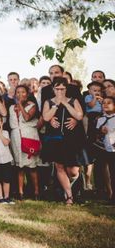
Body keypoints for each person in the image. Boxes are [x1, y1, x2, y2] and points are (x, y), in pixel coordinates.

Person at [42, 77, 85, 205]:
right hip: (55, 139)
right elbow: (46, 117)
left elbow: (79, 115)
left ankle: (71, 186)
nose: (60, 91)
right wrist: (56, 105)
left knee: (73, 171)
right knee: (59, 167)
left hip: (72, 139)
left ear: (66, 89)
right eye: (57, 89)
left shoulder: (73, 100)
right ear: (53, 89)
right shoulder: (48, 102)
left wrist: (65, 103)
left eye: (62, 89)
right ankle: (69, 197)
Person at [9, 85, 40, 200]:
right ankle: (20, 192)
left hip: (29, 136)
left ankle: (36, 192)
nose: (20, 94)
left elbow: (27, 118)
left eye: (23, 92)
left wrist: (20, 105)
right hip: (16, 137)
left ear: (27, 94)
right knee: (19, 166)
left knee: (32, 166)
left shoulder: (32, 106)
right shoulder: (11, 107)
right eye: (18, 92)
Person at [94, 96, 115, 204]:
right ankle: (110, 194)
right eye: (104, 103)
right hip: (105, 149)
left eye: (109, 103)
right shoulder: (101, 119)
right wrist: (101, 131)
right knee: (108, 172)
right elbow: (97, 136)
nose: (105, 104)